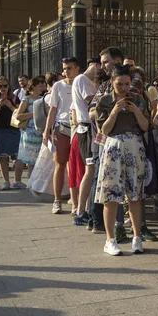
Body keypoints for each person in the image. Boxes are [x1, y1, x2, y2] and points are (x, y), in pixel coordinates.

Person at [95, 64, 150, 256]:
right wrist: (114, 112)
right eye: (120, 84)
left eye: (127, 84)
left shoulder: (138, 99)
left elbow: (145, 127)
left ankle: (137, 237)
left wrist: (136, 111)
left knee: (135, 193)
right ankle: (110, 239)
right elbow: (104, 130)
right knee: (111, 194)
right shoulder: (104, 101)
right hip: (114, 147)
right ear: (112, 82)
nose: (124, 88)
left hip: (134, 147)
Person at [44, 58, 79, 213]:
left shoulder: (82, 83)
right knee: (60, 164)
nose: (66, 71)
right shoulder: (58, 85)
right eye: (64, 68)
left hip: (78, 128)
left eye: (69, 68)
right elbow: (52, 110)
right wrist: (47, 131)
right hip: (62, 127)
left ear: (77, 68)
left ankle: (75, 202)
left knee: (76, 165)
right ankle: (57, 200)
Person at [70, 63, 98, 226]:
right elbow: (92, 102)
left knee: (90, 170)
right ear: (95, 65)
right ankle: (81, 211)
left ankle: (83, 210)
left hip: (84, 128)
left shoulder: (80, 81)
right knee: (90, 170)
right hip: (87, 129)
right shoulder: (82, 80)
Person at [0, 76, 24, 190]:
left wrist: (10, 105)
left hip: (13, 129)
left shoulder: (14, 98)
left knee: (19, 156)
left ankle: (17, 181)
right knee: (2, 156)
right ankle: (6, 181)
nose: (3, 88)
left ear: (9, 86)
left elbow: (19, 113)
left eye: (5, 86)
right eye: (0, 86)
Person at [15, 77, 46, 177]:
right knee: (24, 155)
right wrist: (33, 114)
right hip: (28, 131)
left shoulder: (42, 99)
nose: (41, 88)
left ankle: (32, 177)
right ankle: (17, 180)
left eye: (42, 86)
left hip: (39, 131)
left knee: (35, 157)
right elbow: (18, 116)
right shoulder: (27, 99)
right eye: (39, 86)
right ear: (33, 86)